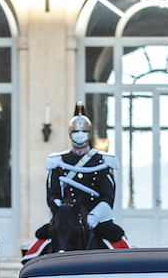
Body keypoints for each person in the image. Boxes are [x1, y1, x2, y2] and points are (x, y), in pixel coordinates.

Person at [23, 102, 130, 260]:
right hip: (65, 217)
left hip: (96, 217)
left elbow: (108, 195)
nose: (79, 135)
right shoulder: (58, 161)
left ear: (89, 134)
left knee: (121, 246)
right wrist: (61, 212)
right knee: (34, 249)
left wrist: (95, 216)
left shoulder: (103, 160)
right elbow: (52, 193)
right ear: (70, 134)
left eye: (83, 131)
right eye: (76, 132)